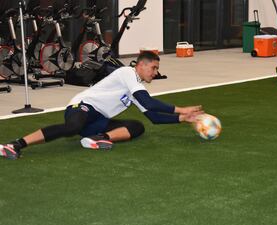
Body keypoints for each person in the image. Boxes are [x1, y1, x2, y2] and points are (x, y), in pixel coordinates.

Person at [0, 51, 203, 160]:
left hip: (98, 121)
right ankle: (15, 144)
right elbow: (149, 102)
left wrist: (182, 119)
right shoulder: (127, 74)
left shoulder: (135, 86)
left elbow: (153, 116)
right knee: (72, 128)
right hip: (83, 107)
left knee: (137, 126)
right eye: (153, 67)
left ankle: (98, 139)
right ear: (141, 64)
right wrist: (181, 109)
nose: (155, 72)